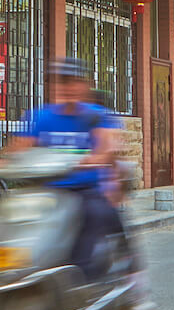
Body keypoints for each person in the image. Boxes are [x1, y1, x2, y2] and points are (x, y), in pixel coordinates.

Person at [9, 58, 126, 282]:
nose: (70, 87)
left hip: (83, 188)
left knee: (94, 213)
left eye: (75, 82)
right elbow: (20, 148)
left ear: (85, 85)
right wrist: (1, 162)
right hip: (47, 190)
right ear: (56, 86)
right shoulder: (42, 117)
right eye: (64, 82)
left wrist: (94, 159)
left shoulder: (96, 116)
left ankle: (82, 278)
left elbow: (107, 147)